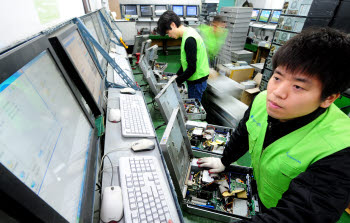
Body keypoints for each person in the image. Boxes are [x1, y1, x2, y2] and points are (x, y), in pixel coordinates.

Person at [197, 27, 350, 222]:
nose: (277, 92)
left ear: (328, 98)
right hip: (259, 196)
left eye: (298, 86)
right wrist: (224, 160)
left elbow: (299, 216)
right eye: (277, 77)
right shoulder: (262, 100)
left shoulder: (340, 148)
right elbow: (243, 133)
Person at [157, 11, 210, 102]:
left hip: (196, 81)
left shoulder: (189, 39)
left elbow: (192, 68)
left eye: (168, 32)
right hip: (197, 78)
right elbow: (186, 61)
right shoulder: (188, 32)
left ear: (173, 25)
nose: (169, 35)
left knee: (193, 106)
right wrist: (177, 75)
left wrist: (177, 82)